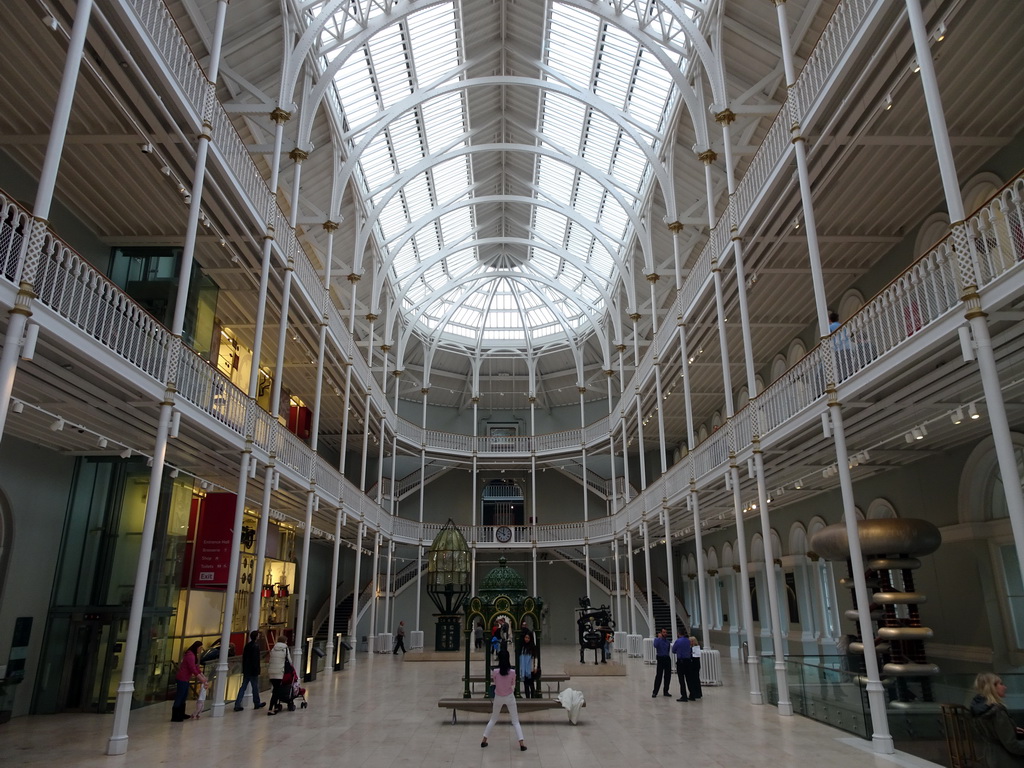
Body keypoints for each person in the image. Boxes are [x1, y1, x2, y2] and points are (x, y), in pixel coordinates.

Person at [969, 672, 1024, 767]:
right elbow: (1012, 745)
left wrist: (1011, 730)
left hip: (991, 757)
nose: (1005, 687)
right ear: (991, 687)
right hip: (1008, 760)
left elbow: (992, 733)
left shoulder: (978, 710)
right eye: (1001, 684)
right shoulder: (997, 712)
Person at [480, 650, 527, 751]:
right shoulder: (513, 672)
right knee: (515, 721)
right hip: (509, 696)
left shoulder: (495, 672)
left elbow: (495, 683)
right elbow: (513, 684)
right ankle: (521, 743)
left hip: (498, 696)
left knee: (493, 719)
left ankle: (484, 740)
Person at [172, 641, 206, 722]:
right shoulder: (190, 655)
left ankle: (181, 713)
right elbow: (193, 668)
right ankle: (175, 716)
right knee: (180, 696)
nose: (200, 650)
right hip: (182, 678)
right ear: (197, 647)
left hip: (185, 678)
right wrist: (201, 679)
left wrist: (203, 677)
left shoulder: (192, 655)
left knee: (183, 696)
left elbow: (196, 668)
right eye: (200, 648)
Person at [234, 630, 266, 711]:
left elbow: (245, 658)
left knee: (243, 686)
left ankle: (238, 703)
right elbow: (255, 660)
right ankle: (256, 703)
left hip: (247, 669)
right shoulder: (255, 646)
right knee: (254, 687)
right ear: (256, 637)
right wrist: (257, 670)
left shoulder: (247, 646)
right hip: (252, 670)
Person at [267, 633, 291, 715]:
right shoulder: (285, 649)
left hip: (271, 671)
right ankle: (271, 708)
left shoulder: (273, 649)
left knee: (275, 689)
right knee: (276, 691)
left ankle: (275, 706)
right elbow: (289, 661)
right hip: (279, 672)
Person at [671, 631, 693, 702]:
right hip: (688, 661)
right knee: (689, 679)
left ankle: (684, 695)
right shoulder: (688, 641)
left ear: (679, 634)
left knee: (681, 679)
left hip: (681, 661)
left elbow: (673, 650)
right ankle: (692, 694)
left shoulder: (678, 641)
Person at [652, 628, 672, 698]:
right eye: (663, 632)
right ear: (661, 633)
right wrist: (658, 638)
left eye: (666, 632)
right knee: (659, 675)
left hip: (666, 658)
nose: (665, 634)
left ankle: (666, 691)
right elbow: (655, 645)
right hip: (660, 658)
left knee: (667, 675)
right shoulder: (657, 640)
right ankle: (655, 691)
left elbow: (668, 650)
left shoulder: (667, 642)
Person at [519, 633, 540, 699]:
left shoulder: (533, 647)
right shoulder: (523, 647)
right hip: (524, 669)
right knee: (525, 685)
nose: (526, 639)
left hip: (531, 669)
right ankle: (527, 697)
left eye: (528, 638)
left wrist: (535, 667)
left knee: (531, 684)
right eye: (525, 638)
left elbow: (535, 658)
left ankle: (532, 697)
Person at [688, 636, 703, 700]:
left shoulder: (696, 648)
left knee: (695, 679)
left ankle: (696, 692)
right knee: (695, 679)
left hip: (694, 664)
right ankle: (696, 692)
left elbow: (695, 656)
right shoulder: (692, 648)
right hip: (694, 664)